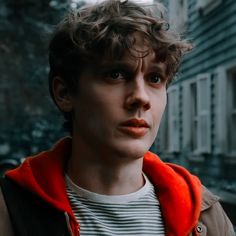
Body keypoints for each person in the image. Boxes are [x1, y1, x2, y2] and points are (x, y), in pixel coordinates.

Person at [0, 0, 234, 235]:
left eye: (154, 78)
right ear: (64, 93)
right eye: (116, 74)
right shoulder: (10, 208)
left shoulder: (205, 215)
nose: (141, 97)